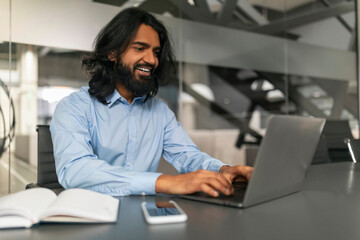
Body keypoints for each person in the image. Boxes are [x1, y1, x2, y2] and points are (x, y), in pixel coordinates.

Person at [50, 7, 253, 197]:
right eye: (140, 48)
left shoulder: (160, 111)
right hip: (92, 218)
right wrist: (165, 182)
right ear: (112, 53)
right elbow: (75, 170)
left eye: (155, 52)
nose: (152, 60)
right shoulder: (74, 107)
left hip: (144, 216)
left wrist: (224, 170)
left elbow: (187, 155)